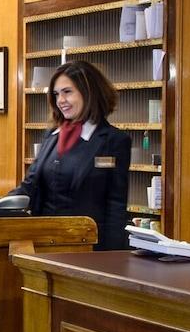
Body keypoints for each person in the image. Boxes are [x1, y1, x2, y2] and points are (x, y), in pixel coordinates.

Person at [12, 59, 132, 250]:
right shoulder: (52, 136)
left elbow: (115, 205)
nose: (60, 100)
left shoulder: (113, 140)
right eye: (56, 94)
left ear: (89, 92)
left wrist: (112, 259)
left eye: (67, 92)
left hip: (88, 248)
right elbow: (29, 187)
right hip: (45, 245)